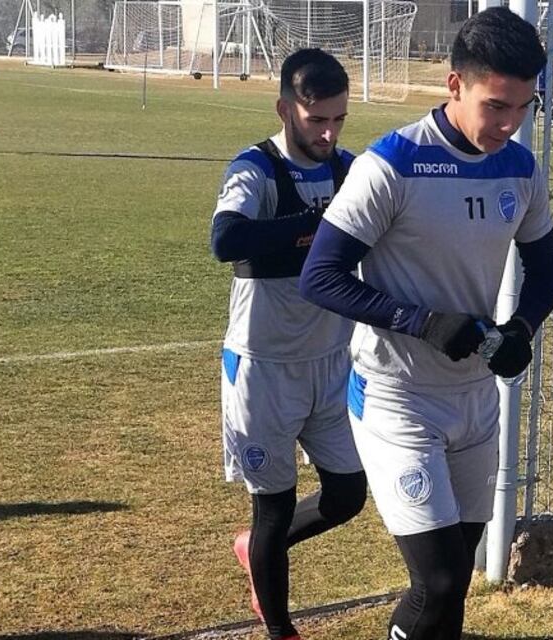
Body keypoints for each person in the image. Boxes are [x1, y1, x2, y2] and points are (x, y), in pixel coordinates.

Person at [300, 8, 553, 640]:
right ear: (454, 86)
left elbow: (546, 271)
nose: (509, 124)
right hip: (397, 399)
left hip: (475, 400)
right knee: (437, 582)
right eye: (495, 105)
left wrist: (522, 329)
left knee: (456, 581)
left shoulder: (520, 170)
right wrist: (422, 322)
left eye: (524, 107)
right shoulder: (391, 165)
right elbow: (321, 275)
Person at [209, 48, 366, 640]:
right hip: (263, 366)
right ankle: (281, 630)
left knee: (348, 494)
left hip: (332, 361)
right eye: (314, 120)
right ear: (284, 109)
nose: (327, 133)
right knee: (273, 504)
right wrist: (319, 230)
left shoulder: (349, 170)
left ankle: (255, 549)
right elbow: (228, 239)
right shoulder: (256, 168)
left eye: (337, 120)